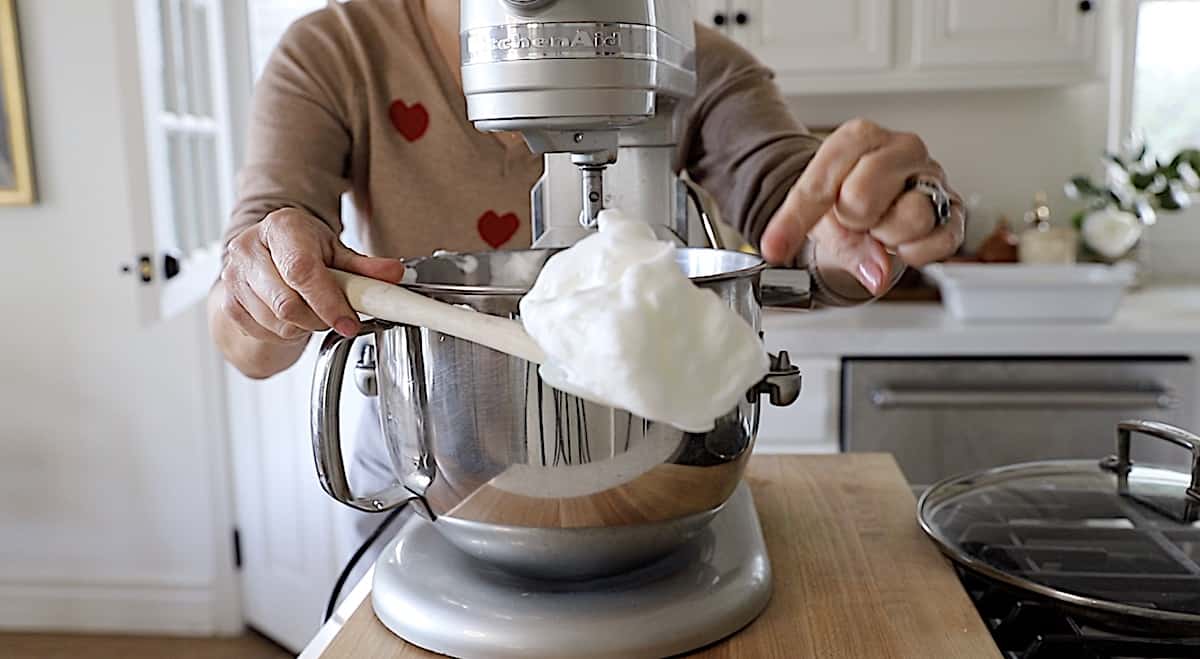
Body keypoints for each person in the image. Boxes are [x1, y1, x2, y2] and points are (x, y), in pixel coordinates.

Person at [209, 0, 964, 527]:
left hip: (647, 460)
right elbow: (247, 329)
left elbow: (788, 202)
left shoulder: (695, 63)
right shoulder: (336, 53)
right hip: (430, 459)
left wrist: (858, 221)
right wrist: (267, 285)